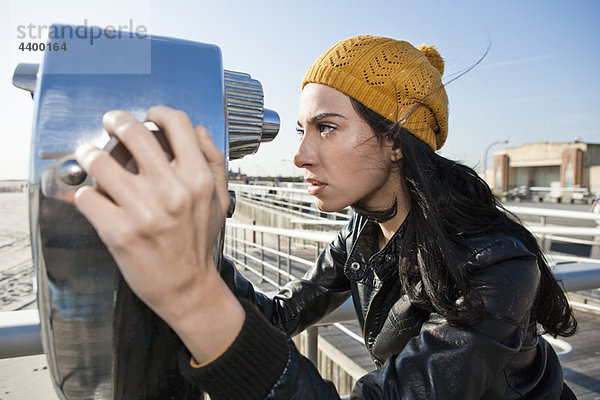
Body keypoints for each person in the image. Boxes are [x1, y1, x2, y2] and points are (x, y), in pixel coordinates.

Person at [73, 35, 577, 399]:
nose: (301, 156)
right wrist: (202, 250)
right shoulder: (363, 235)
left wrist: (191, 295)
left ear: (398, 141)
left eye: (327, 128)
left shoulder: (495, 268)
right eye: (301, 131)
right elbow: (279, 318)